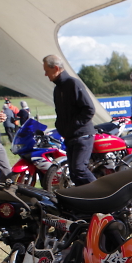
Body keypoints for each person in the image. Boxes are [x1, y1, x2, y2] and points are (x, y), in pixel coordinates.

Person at [43, 54, 96, 185]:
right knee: (73, 173)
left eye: (47, 71)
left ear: (56, 68)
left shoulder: (73, 83)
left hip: (82, 136)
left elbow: (89, 109)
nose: (45, 74)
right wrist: (61, 127)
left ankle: (104, 196)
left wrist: (73, 126)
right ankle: (85, 200)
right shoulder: (58, 89)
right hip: (70, 137)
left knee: (79, 170)